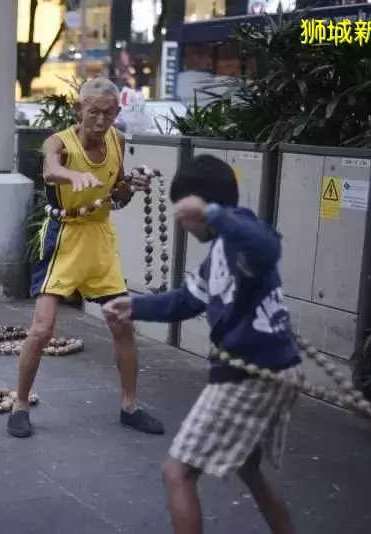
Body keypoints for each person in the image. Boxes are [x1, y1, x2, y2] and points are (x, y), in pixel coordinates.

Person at [102, 154, 303, 534]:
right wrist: (135, 307)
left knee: (176, 471)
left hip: (248, 375)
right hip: (275, 369)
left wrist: (213, 214)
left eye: (184, 214)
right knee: (250, 467)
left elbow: (268, 248)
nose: (183, 223)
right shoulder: (220, 253)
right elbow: (187, 300)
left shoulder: (241, 233)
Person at [6, 77, 163, 439]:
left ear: (117, 112)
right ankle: (20, 405)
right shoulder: (59, 142)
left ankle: (130, 406)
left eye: (108, 112)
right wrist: (71, 175)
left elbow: (118, 194)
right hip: (64, 238)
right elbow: (50, 169)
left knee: (122, 324)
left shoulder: (118, 139)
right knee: (42, 329)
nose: (100, 120)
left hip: (100, 240)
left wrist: (132, 185)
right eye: (93, 112)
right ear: (79, 110)